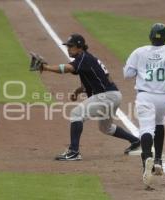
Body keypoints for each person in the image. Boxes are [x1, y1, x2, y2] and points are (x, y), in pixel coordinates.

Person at [40, 33, 140, 161]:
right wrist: (77, 91)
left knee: (76, 114)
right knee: (105, 128)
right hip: (113, 95)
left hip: (106, 96)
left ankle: (74, 151)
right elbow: (89, 79)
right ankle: (136, 141)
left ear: (80, 47)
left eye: (71, 46)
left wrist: (46, 67)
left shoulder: (83, 58)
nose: (68, 49)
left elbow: (67, 68)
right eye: (68, 46)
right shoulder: (86, 58)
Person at [123, 23, 165, 187]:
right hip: (163, 98)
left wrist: (141, 70)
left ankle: (146, 162)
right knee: (160, 123)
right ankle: (158, 159)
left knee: (146, 129)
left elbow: (127, 74)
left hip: (145, 97)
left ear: (150, 36)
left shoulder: (139, 51)